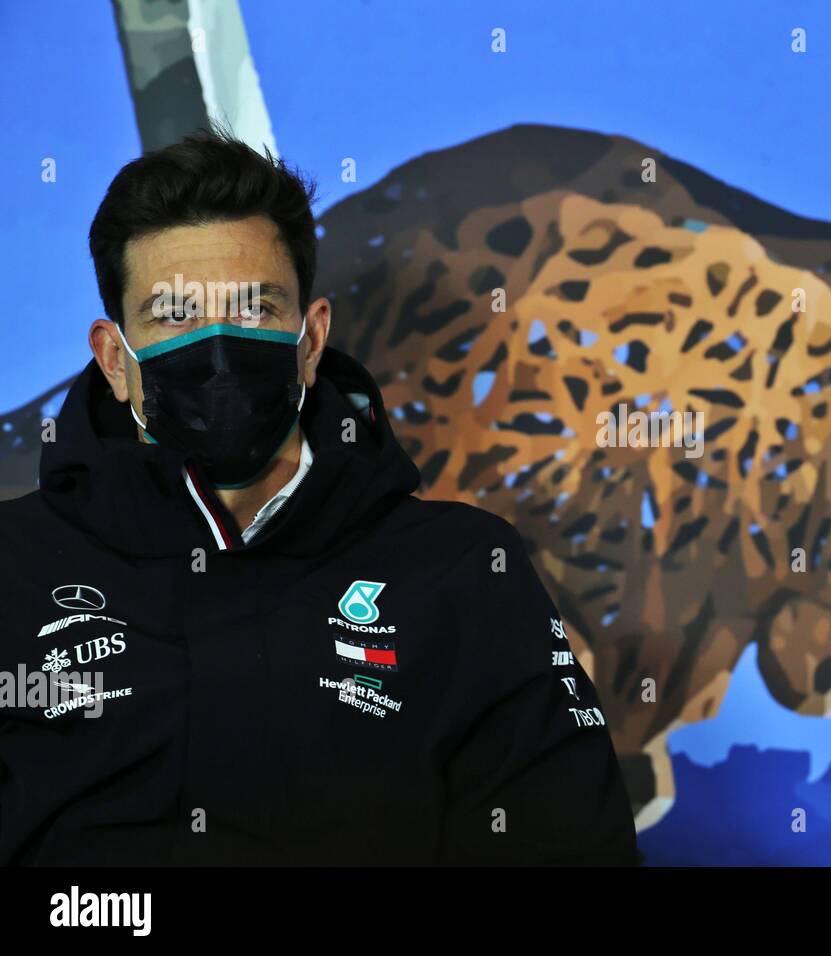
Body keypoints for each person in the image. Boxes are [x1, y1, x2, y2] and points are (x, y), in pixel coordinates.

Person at [0, 128, 639, 866]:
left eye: (255, 308)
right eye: (174, 315)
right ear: (116, 360)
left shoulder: (462, 571)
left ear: (310, 340)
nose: (216, 349)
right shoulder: (14, 569)